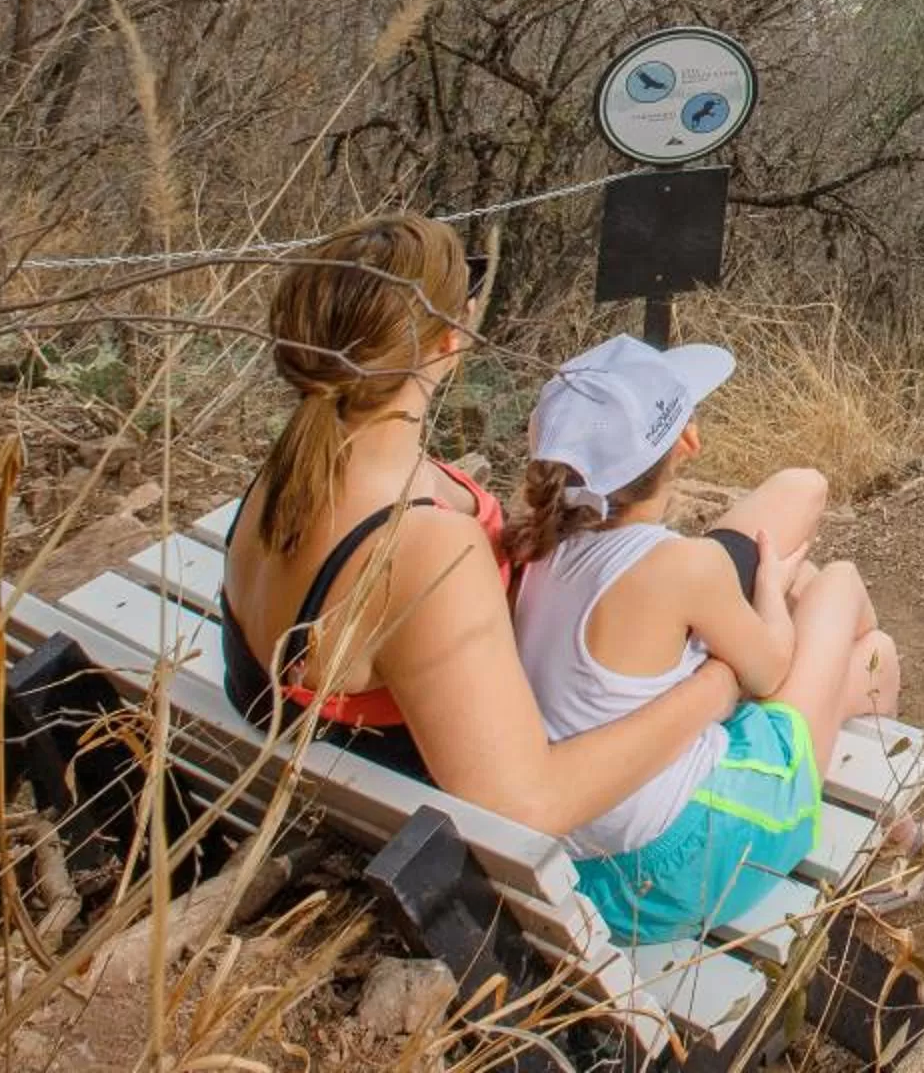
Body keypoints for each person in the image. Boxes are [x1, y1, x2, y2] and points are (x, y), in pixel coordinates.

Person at [222, 214, 783, 835]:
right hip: (414, 825)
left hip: (329, 770)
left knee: (758, 545)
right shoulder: (424, 545)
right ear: (448, 341)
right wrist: (715, 686)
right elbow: (529, 806)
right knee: (790, 599)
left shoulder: (292, 474)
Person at [506, 333, 915, 943]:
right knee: (840, 589)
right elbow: (771, 670)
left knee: (857, 646)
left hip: (588, 870)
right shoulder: (681, 567)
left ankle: (894, 819)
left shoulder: (538, 547)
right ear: (687, 443)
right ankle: (889, 838)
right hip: (684, 864)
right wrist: (772, 590)